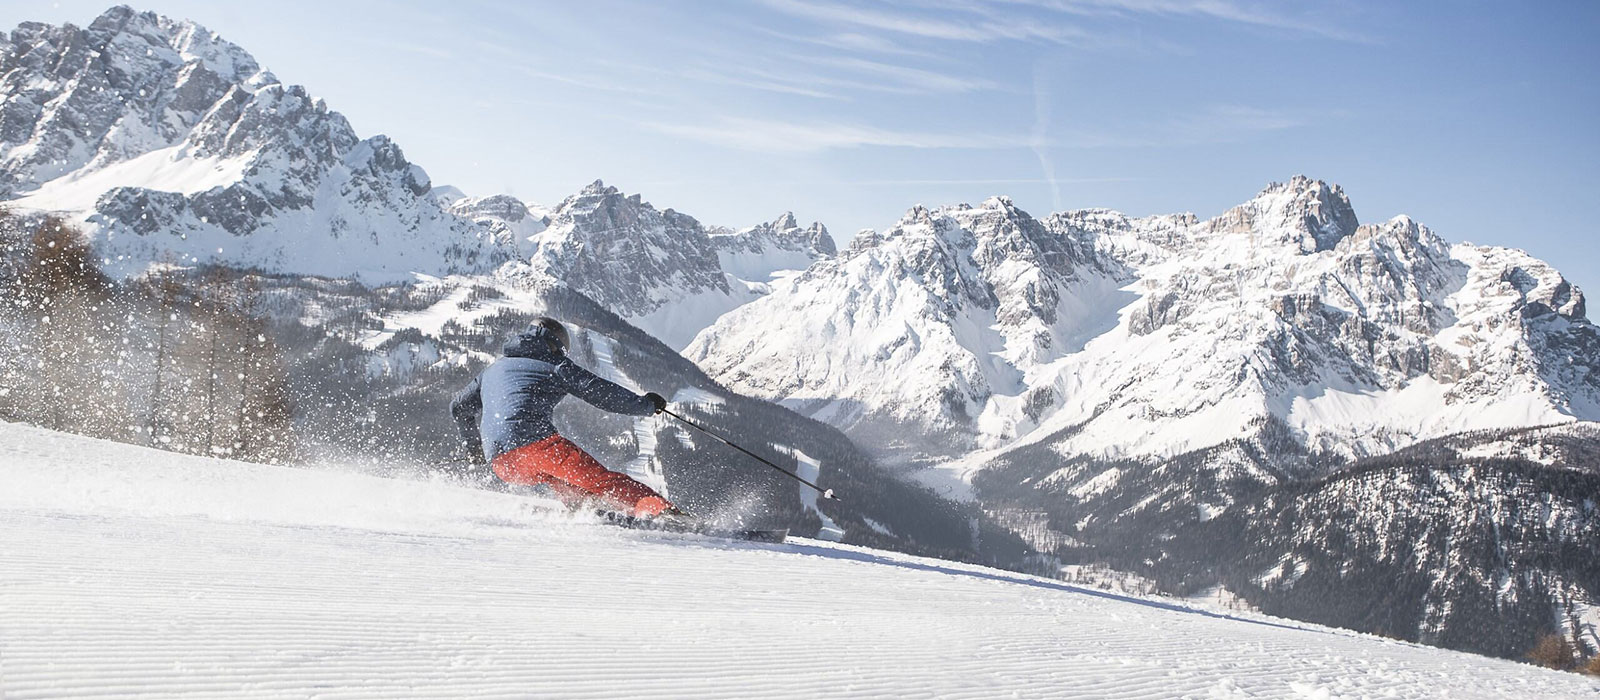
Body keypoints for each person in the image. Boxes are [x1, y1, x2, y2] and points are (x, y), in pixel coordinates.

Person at [451, 316, 678, 518]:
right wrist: (646, 405)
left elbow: (458, 407)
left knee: (557, 475)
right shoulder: (554, 364)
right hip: (535, 446)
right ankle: (661, 512)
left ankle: (583, 505)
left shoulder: (492, 370)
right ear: (555, 344)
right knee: (601, 480)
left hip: (502, 462)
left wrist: (474, 449)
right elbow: (601, 393)